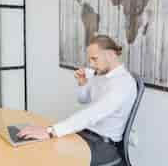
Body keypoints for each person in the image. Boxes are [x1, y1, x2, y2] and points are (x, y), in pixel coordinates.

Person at [17, 34, 137, 166]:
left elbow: (91, 114)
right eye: (90, 59)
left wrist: (50, 131)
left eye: (94, 59)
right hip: (86, 134)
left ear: (110, 54)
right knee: (42, 147)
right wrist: (83, 83)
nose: (91, 64)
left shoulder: (123, 83)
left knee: (54, 158)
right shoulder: (101, 74)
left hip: (103, 145)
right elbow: (83, 100)